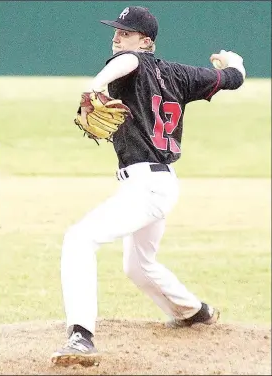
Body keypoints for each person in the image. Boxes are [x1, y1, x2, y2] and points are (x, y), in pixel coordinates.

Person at [51, 5, 246, 368]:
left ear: (147, 42)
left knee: (79, 239)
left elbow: (128, 63)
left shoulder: (130, 62)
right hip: (156, 185)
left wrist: (95, 86)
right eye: (116, 31)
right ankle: (194, 312)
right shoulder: (184, 75)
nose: (117, 37)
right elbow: (233, 78)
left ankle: (81, 336)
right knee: (138, 266)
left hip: (147, 187)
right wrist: (235, 62)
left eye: (125, 33)